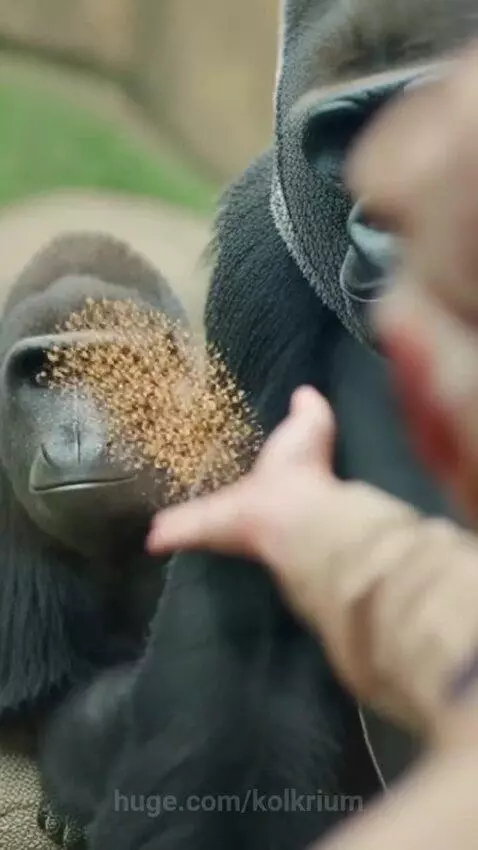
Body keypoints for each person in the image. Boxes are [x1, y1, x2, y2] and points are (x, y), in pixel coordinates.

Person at [147, 38, 478, 850]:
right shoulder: (277, 251)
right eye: (354, 142)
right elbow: (229, 639)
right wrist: (307, 527)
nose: (378, 229)